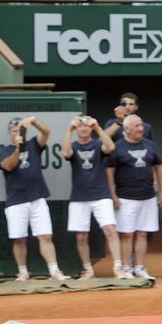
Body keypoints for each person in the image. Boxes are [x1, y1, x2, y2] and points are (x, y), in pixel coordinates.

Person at [0, 115, 66, 282]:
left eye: (19, 131)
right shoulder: (4, 150)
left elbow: (47, 132)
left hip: (37, 198)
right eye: (14, 131)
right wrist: (18, 149)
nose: (17, 133)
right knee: (19, 239)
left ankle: (54, 271)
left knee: (45, 236)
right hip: (16, 201)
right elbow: (9, 166)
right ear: (9, 133)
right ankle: (23, 272)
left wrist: (33, 121)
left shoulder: (34, 144)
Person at [60, 114, 129, 279]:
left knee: (110, 230)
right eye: (79, 126)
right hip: (79, 197)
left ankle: (118, 267)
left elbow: (111, 147)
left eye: (85, 126)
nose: (83, 129)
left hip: (100, 195)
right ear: (76, 129)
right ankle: (88, 269)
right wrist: (69, 130)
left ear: (89, 128)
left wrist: (97, 127)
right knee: (81, 236)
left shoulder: (98, 144)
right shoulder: (74, 145)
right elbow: (65, 152)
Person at [105, 112, 162, 280]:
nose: (142, 128)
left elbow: (159, 167)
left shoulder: (149, 144)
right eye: (137, 126)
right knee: (126, 234)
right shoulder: (117, 147)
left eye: (142, 125)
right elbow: (109, 173)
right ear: (127, 129)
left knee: (142, 233)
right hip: (125, 198)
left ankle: (139, 267)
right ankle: (125, 267)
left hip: (147, 197)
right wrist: (113, 195)